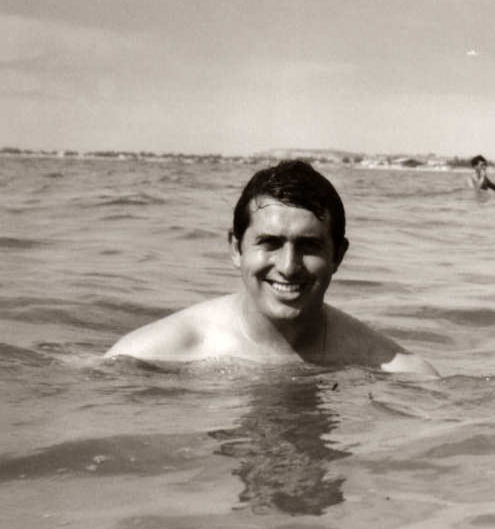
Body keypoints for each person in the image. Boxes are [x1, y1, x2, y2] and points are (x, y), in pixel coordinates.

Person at [106, 160, 438, 377]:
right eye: (270, 242)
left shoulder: (396, 371)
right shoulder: (149, 355)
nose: (289, 267)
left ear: (338, 255)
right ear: (235, 248)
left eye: (309, 245)